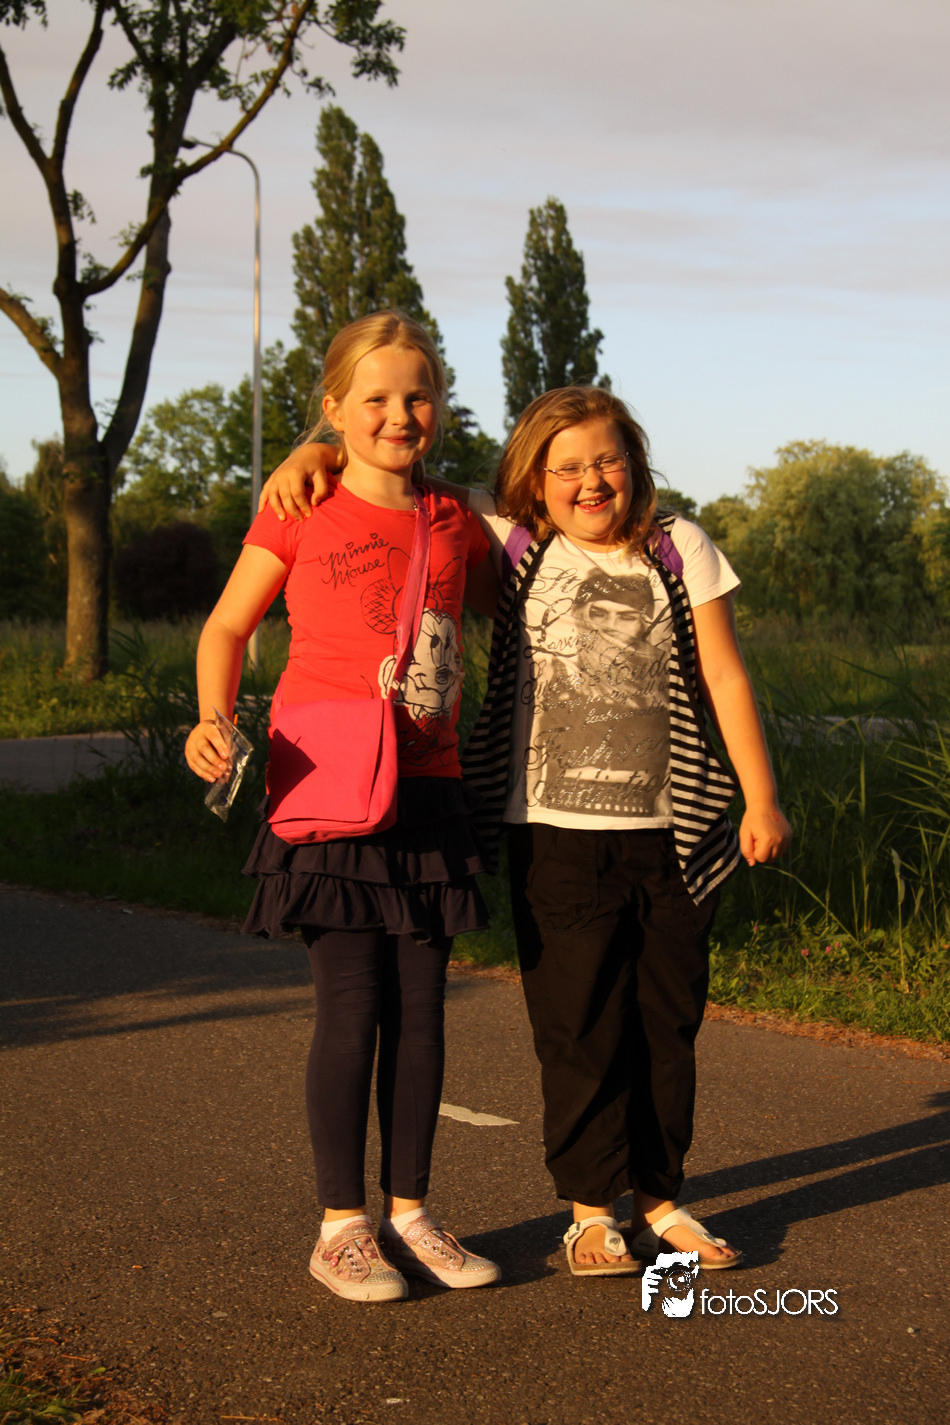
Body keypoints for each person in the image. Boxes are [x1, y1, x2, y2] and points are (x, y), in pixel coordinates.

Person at [259, 383, 792, 1278]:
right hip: (551, 830)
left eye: (608, 460)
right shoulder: (513, 540)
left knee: (667, 1024)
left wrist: (761, 797)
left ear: (636, 464)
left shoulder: (681, 546)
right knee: (578, 1026)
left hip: (676, 828)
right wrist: (315, 451)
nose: (591, 481)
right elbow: (397, 470)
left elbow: (726, 676)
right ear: (534, 482)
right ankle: (590, 1213)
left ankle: (661, 1201)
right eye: (567, 467)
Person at [185, 311, 502, 1303]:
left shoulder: (455, 519)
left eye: (418, 396)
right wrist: (210, 718)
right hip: (327, 784)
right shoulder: (300, 506)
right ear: (334, 408)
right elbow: (226, 626)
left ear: (440, 406)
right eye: (374, 399)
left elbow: (528, 542)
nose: (399, 415)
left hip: (429, 787)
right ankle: (340, 1228)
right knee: (352, 1007)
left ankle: (411, 1212)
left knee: (423, 1015)